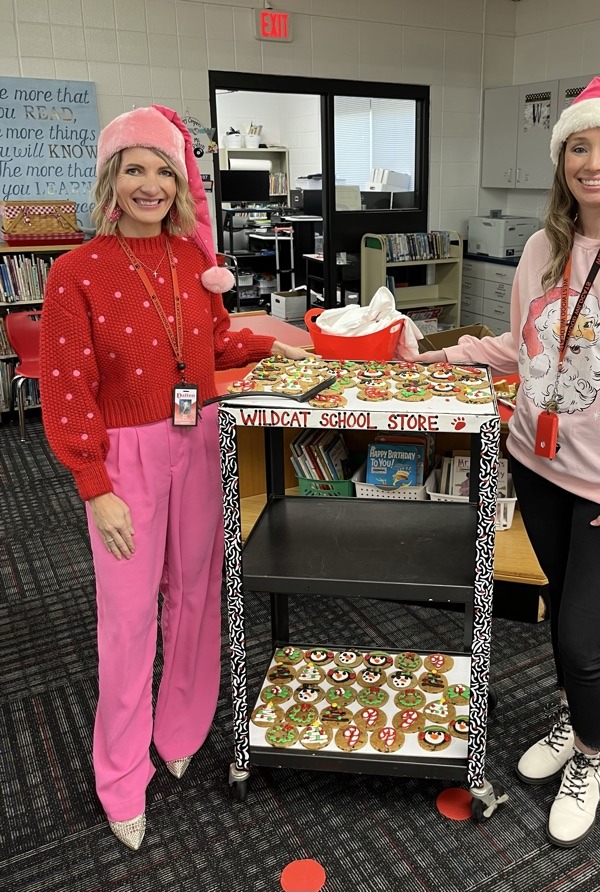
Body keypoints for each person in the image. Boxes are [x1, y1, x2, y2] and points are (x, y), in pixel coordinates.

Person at [420, 78, 600, 847]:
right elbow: (526, 345)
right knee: (560, 615)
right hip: (538, 467)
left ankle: (589, 754)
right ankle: (569, 711)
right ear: (562, 161)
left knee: (584, 640)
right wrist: (448, 354)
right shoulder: (544, 247)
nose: (594, 163)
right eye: (579, 148)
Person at [39, 105, 311, 851]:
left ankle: (182, 727)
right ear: (111, 178)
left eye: (164, 170)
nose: (150, 185)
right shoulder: (75, 273)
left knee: (196, 594)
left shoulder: (193, 260)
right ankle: (121, 772)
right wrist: (95, 486)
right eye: (135, 168)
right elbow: (66, 389)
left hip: (197, 441)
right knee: (127, 621)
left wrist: (273, 346)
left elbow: (211, 338)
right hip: (123, 452)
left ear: (180, 181)